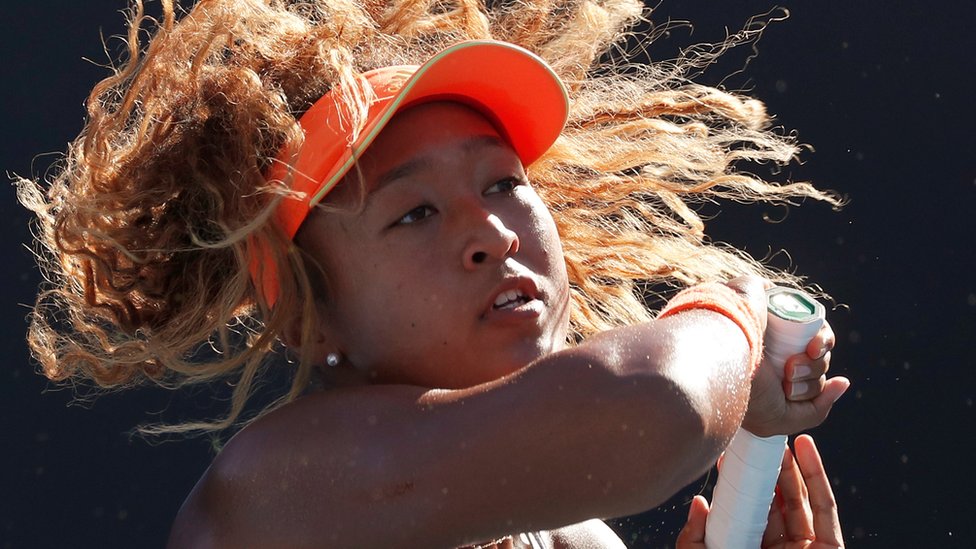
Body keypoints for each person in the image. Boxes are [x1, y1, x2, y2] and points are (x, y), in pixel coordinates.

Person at [18, 0, 849, 546]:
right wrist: (731, 311)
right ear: (313, 318)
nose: (492, 232)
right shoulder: (279, 489)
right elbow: (658, 404)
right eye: (414, 212)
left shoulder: (578, 537)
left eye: (504, 183)